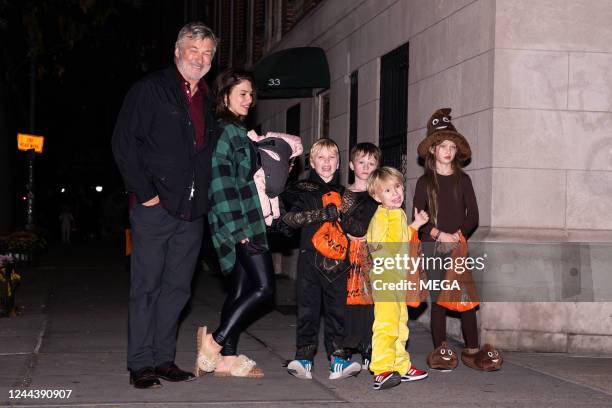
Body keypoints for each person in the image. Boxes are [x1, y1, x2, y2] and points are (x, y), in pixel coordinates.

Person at [112, 22, 217, 389]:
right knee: (147, 286)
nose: (200, 59)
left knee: (177, 289)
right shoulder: (151, 90)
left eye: (207, 54)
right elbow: (124, 143)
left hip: (192, 212)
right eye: (194, 51)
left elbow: (208, 151)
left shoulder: (207, 97)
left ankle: (163, 358)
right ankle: (140, 363)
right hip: (155, 208)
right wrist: (146, 194)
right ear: (177, 52)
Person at [195, 69, 274, 378]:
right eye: (242, 93)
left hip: (246, 219)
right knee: (265, 288)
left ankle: (227, 358)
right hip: (240, 223)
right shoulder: (227, 132)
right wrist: (239, 231)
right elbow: (220, 184)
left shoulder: (237, 131)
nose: (249, 99)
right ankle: (215, 342)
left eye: (251, 94)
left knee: (240, 290)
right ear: (224, 97)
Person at [413, 108, 503, 372]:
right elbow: (418, 217)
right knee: (439, 298)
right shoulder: (423, 183)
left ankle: (472, 350)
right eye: (443, 146)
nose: (448, 151)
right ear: (432, 150)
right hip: (433, 247)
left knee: (466, 299)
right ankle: (440, 348)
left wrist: (457, 236)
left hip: (458, 246)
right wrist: (440, 234)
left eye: (452, 146)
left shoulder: (463, 180)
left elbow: (473, 215)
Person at [281, 139, 362, 381]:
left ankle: (338, 360)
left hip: (338, 264)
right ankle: (304, 359)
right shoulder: (301, 189)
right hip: (309, 261)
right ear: (312, 163)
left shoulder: (346, 195)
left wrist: (346, 220)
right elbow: (288, 220)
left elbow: (357, 228)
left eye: (331, 159)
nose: (326, 163)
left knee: (338, 312)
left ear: (338, 164)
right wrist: (320, 214)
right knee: (307, 311)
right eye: (321, 158)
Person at [366, 166, 429, 390]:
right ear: (376, 196)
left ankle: (400, 365)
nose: (396, 194)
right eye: (388, 190)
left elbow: (403, 239)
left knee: (400, 325)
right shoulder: (381, 217)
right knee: (385, 325)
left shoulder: (398, 213)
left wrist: (415, 226)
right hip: (385, 279)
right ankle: (382, 369)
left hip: (398, 279)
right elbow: (377, 247)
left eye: (398, 187)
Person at [340, 143, 381, 371]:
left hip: (371, 254)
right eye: (361, 162)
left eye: (371, 163)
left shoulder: (379, 197)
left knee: (369, 301)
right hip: (347, 254)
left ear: (377, 167)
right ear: (351, 165)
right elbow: (339, 220)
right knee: (347, 299)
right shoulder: (345, 194)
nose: (366, 167)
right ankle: (347, 345)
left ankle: (368, 346)